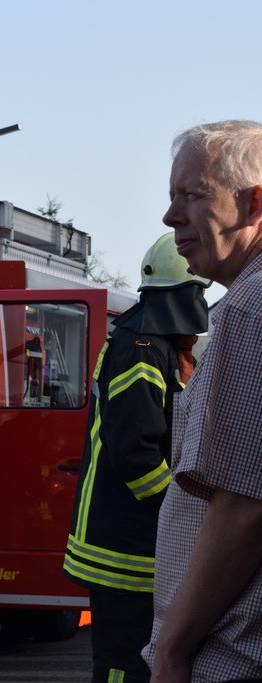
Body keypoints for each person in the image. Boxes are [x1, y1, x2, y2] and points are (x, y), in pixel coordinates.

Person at [143, 119, 262, 681]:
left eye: (191, 195)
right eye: (172, 196)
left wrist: (173, 650)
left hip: (229, 657)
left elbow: (244, 506)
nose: (171, 217)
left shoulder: (248, 311)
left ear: (253, 203)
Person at [63, 232, 210, 682]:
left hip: (131, 542)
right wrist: (180, 511)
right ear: (185, 292)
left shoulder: (147, 340)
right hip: (125, 550)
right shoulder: (144, 349)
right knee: (126, 665)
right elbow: (137, 454)